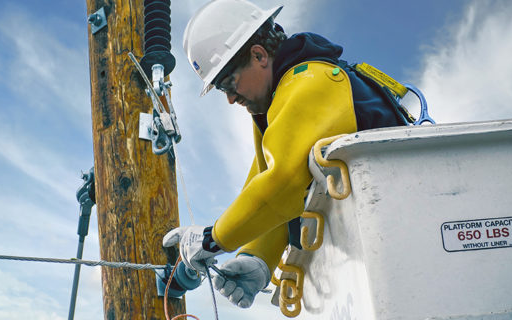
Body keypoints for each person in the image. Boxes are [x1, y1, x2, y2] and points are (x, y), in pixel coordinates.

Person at [162, 0, 409, 309]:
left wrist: (213, 239)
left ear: (259, 55)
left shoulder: (312, 81)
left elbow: (285, 181)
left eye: (228, 82)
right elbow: (269, 189)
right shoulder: (280, 107)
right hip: (385, 253)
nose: (229, 98)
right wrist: (258, 258)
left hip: (404, 241)